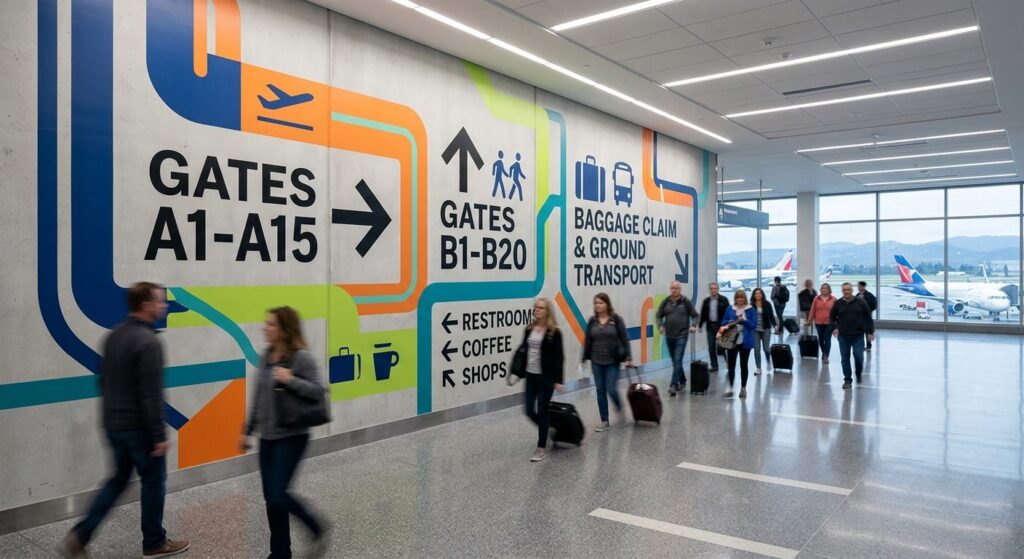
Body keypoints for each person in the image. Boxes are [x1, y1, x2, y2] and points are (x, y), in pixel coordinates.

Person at [58, 283, 190, 559]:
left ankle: (80, 536)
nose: (165, 306)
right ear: (146, 305)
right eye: (160, 301)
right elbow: (150, 394)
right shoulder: (149, 342)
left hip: (113, 424)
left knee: (117, 480)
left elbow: (104, 382)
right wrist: (158, 435)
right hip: (140, 429)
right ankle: (154, 542)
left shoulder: (114, 336)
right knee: (153, 482)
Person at [240, 307, 329, 559]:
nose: (265, 328)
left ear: (285, 329)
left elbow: (318, 391)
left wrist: (290, 380)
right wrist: (247, 430)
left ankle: (316, 527)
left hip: (292, 437)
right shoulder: (266, 356)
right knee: (271, 498)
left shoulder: (301, 358)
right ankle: (280, 552)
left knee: (279, 494)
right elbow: (258, 396)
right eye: (266, 323)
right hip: (267, 439)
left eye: (271, 324)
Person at [519, 298, 564, 462]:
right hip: (531, 375)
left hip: (546, 378)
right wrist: (519, 369)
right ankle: (547, 429)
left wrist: (558, 380)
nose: (537, 310)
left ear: (547, 311)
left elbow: (559, 357)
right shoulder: (529, 329)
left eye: (541, 308)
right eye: (536, 307)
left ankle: (541, 446)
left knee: (542, 409)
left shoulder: (554, 332)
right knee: (528, 410)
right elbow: (523, 350)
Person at [582, 293, 632, 432]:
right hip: (596, 361)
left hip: (612, 362)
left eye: (601, 303)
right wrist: (583, 358)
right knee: (600, 390)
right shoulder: (592, 321)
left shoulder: (616, 319)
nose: (598, 305)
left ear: (607, 304)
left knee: (611, 389)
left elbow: (624, 339)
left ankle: (619, 406)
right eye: (596, 303)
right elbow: (588, 340)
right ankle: (605, 420)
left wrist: (629, 357)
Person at [831, 283, 875, 389]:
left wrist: (870, 332)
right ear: (842, 291)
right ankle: (847, 380)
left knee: (859, 357)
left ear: (852, 290)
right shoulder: (838, 303)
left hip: (858, 335)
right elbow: (832, 317)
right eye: (844, 290)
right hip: (843, 336)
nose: (846, 291)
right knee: (845, 358)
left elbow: (868, 317)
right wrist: (835, 327)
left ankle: (858, 373)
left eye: (848, 289)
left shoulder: (861, 302)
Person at [656, 281, 698, 396]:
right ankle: (682, 380)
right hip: (669, 336)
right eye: (672, 288)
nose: (674, 290)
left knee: (678, 359)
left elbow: (695, 315)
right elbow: (658, 315)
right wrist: (660, 325)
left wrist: (693, 325)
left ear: (680, 289)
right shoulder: (666, 301)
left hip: (682, 335)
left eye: (676, 288)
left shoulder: (685, 302)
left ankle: (673, 385)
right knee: (675, 361)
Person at [719, 289, 756, 399]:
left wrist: (744, 320)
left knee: (743, 364)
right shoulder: (730, 308)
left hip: (745, 341)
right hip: (732, 340)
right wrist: (730, 322)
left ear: (745, 299)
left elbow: (753, 325)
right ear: (735, 299)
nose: (740, 301)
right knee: (731, 365)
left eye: (742, 299)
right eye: (738, 299)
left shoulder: (750, 309)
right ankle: (730, 387)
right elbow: (723, 321)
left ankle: (743, 388)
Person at [698, 282, 730, 372]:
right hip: (710, 326)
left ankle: (729, 363)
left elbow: (728, 313)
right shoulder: (706, 301)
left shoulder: (724, 300)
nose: (713, 290)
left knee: (722, 347)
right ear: (709, 290)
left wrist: (728, 325)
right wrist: (700, 325)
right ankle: (714, 365)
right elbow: (703, 314)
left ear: (717, 289)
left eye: (715, 288)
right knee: (711, 347)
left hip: (721, 327)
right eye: (711, 288)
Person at [749, 287, 780, 376]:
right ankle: (758, 367)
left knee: (766, 348)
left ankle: (768, 361)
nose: (758, 295)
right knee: (756, 349)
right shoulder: (751, 305)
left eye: (759, 293)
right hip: (755, 330)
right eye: (756, 293)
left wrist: (775, 326)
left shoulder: (767, 304)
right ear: (754, 295)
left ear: (762, 294)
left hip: (766, 329)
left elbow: (771, 316)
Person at [808, 283, 837, 364]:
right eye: (823, 288)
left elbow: (837, 312)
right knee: (821, 340)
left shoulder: (834, 299)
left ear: (829, 290)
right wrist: (809, 320)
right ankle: (824, 352)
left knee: (827, 339)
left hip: (830, 323)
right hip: (819, 323)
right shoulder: (816, 299)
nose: (824, 289)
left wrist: (837, 324)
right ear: (821, 289)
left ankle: (826, 356)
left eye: (826, 288)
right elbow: (813, 310)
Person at [856, 281, 878, 350]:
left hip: (867, 317)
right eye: (858, 286)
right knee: (860, 332)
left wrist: (869, 310)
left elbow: (874, 304)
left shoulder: (869, 295)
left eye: (859, 286)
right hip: (859, 317)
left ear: (863, 286)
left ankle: (868, 345)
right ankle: (861, 345)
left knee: (867, 331)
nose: (858, 288)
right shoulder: (857, 295)